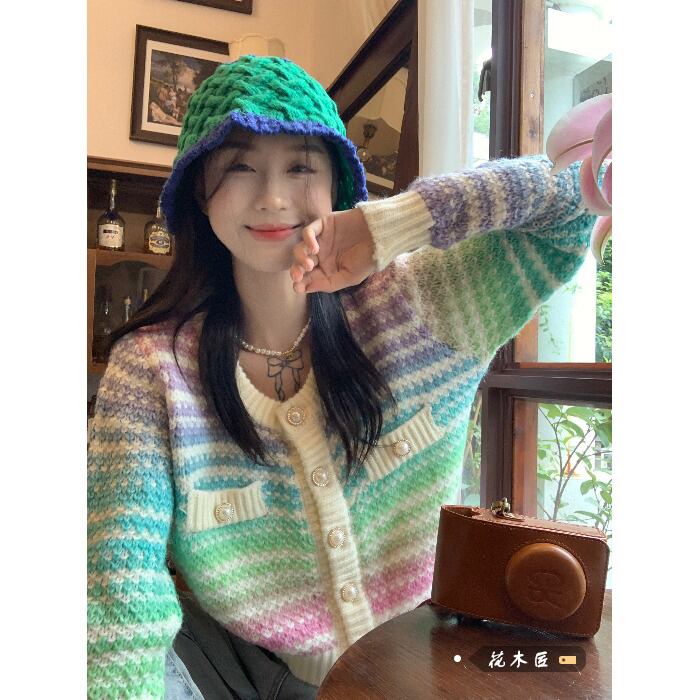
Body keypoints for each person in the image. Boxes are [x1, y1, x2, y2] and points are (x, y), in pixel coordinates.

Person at [87, 55, 596, 698]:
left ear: (335, 182)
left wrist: (394, 223)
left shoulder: (419, 307)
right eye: (239, 166)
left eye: (301, 166)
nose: (273, 197)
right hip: (250, 681)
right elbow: (117, 591)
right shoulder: (152, 371)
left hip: (435, 665)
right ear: (199, 191)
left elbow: (575, 198)